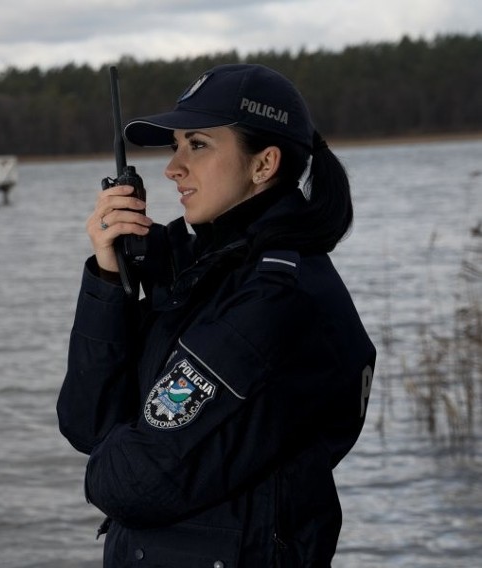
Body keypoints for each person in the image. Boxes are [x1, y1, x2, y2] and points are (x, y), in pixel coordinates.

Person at [56, 63, 377, 567]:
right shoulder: (203, 274)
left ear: (264, 164)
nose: (172, 168)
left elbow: (133, 482)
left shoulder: (275, 297)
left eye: (198, 145)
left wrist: (121, 444)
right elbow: (84, 422)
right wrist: (108, 277)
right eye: (174, 146)